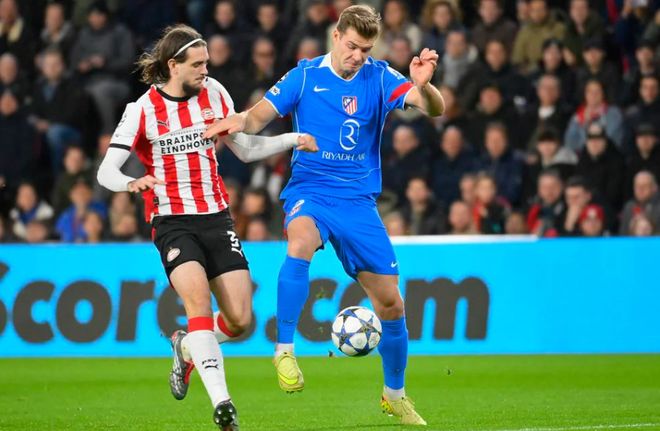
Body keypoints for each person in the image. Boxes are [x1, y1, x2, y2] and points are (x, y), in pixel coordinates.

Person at [203, 5, 443, 426]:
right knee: (299, 242)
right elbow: (256, 118)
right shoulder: (304, 76)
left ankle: (394, 394)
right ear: (336, 36)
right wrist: (234, 122)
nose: (357, 56)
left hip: (358, 201)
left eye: (365, 49)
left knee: (391, 305)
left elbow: (434, 109)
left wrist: (426, 86)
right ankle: (284, 351)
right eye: (352, 46)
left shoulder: (380, 76)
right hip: (310, 190)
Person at [96, 24, 317, 430]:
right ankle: (223, 404)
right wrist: (130, 182)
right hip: (172, 221)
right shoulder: (142, 110)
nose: (205, 70)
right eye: (197, 64)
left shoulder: (214, 93)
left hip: (216, 217)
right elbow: (105, 170)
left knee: (240, 321)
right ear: (173, 65)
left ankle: (186, 348)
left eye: (206, 63)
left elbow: (244, 149)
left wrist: (293, 139)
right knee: (197, 305)